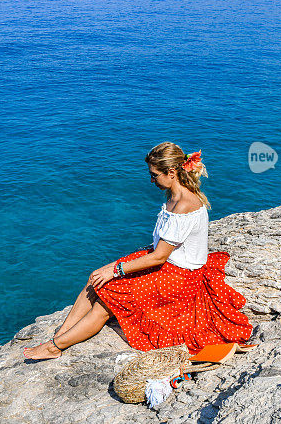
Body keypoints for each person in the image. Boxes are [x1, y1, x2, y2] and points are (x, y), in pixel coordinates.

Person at [23, 142, 253, 360]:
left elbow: (160, 256)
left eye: (154, 174)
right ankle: (61, 334)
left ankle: (55, 347)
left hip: (178, 277)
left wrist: (117, 270)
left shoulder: (184, 204)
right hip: (167, 264)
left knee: (108, 299)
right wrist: (112, 269)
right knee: (95, 278)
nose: (151, 180)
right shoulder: (175, 195)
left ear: (172, 172)